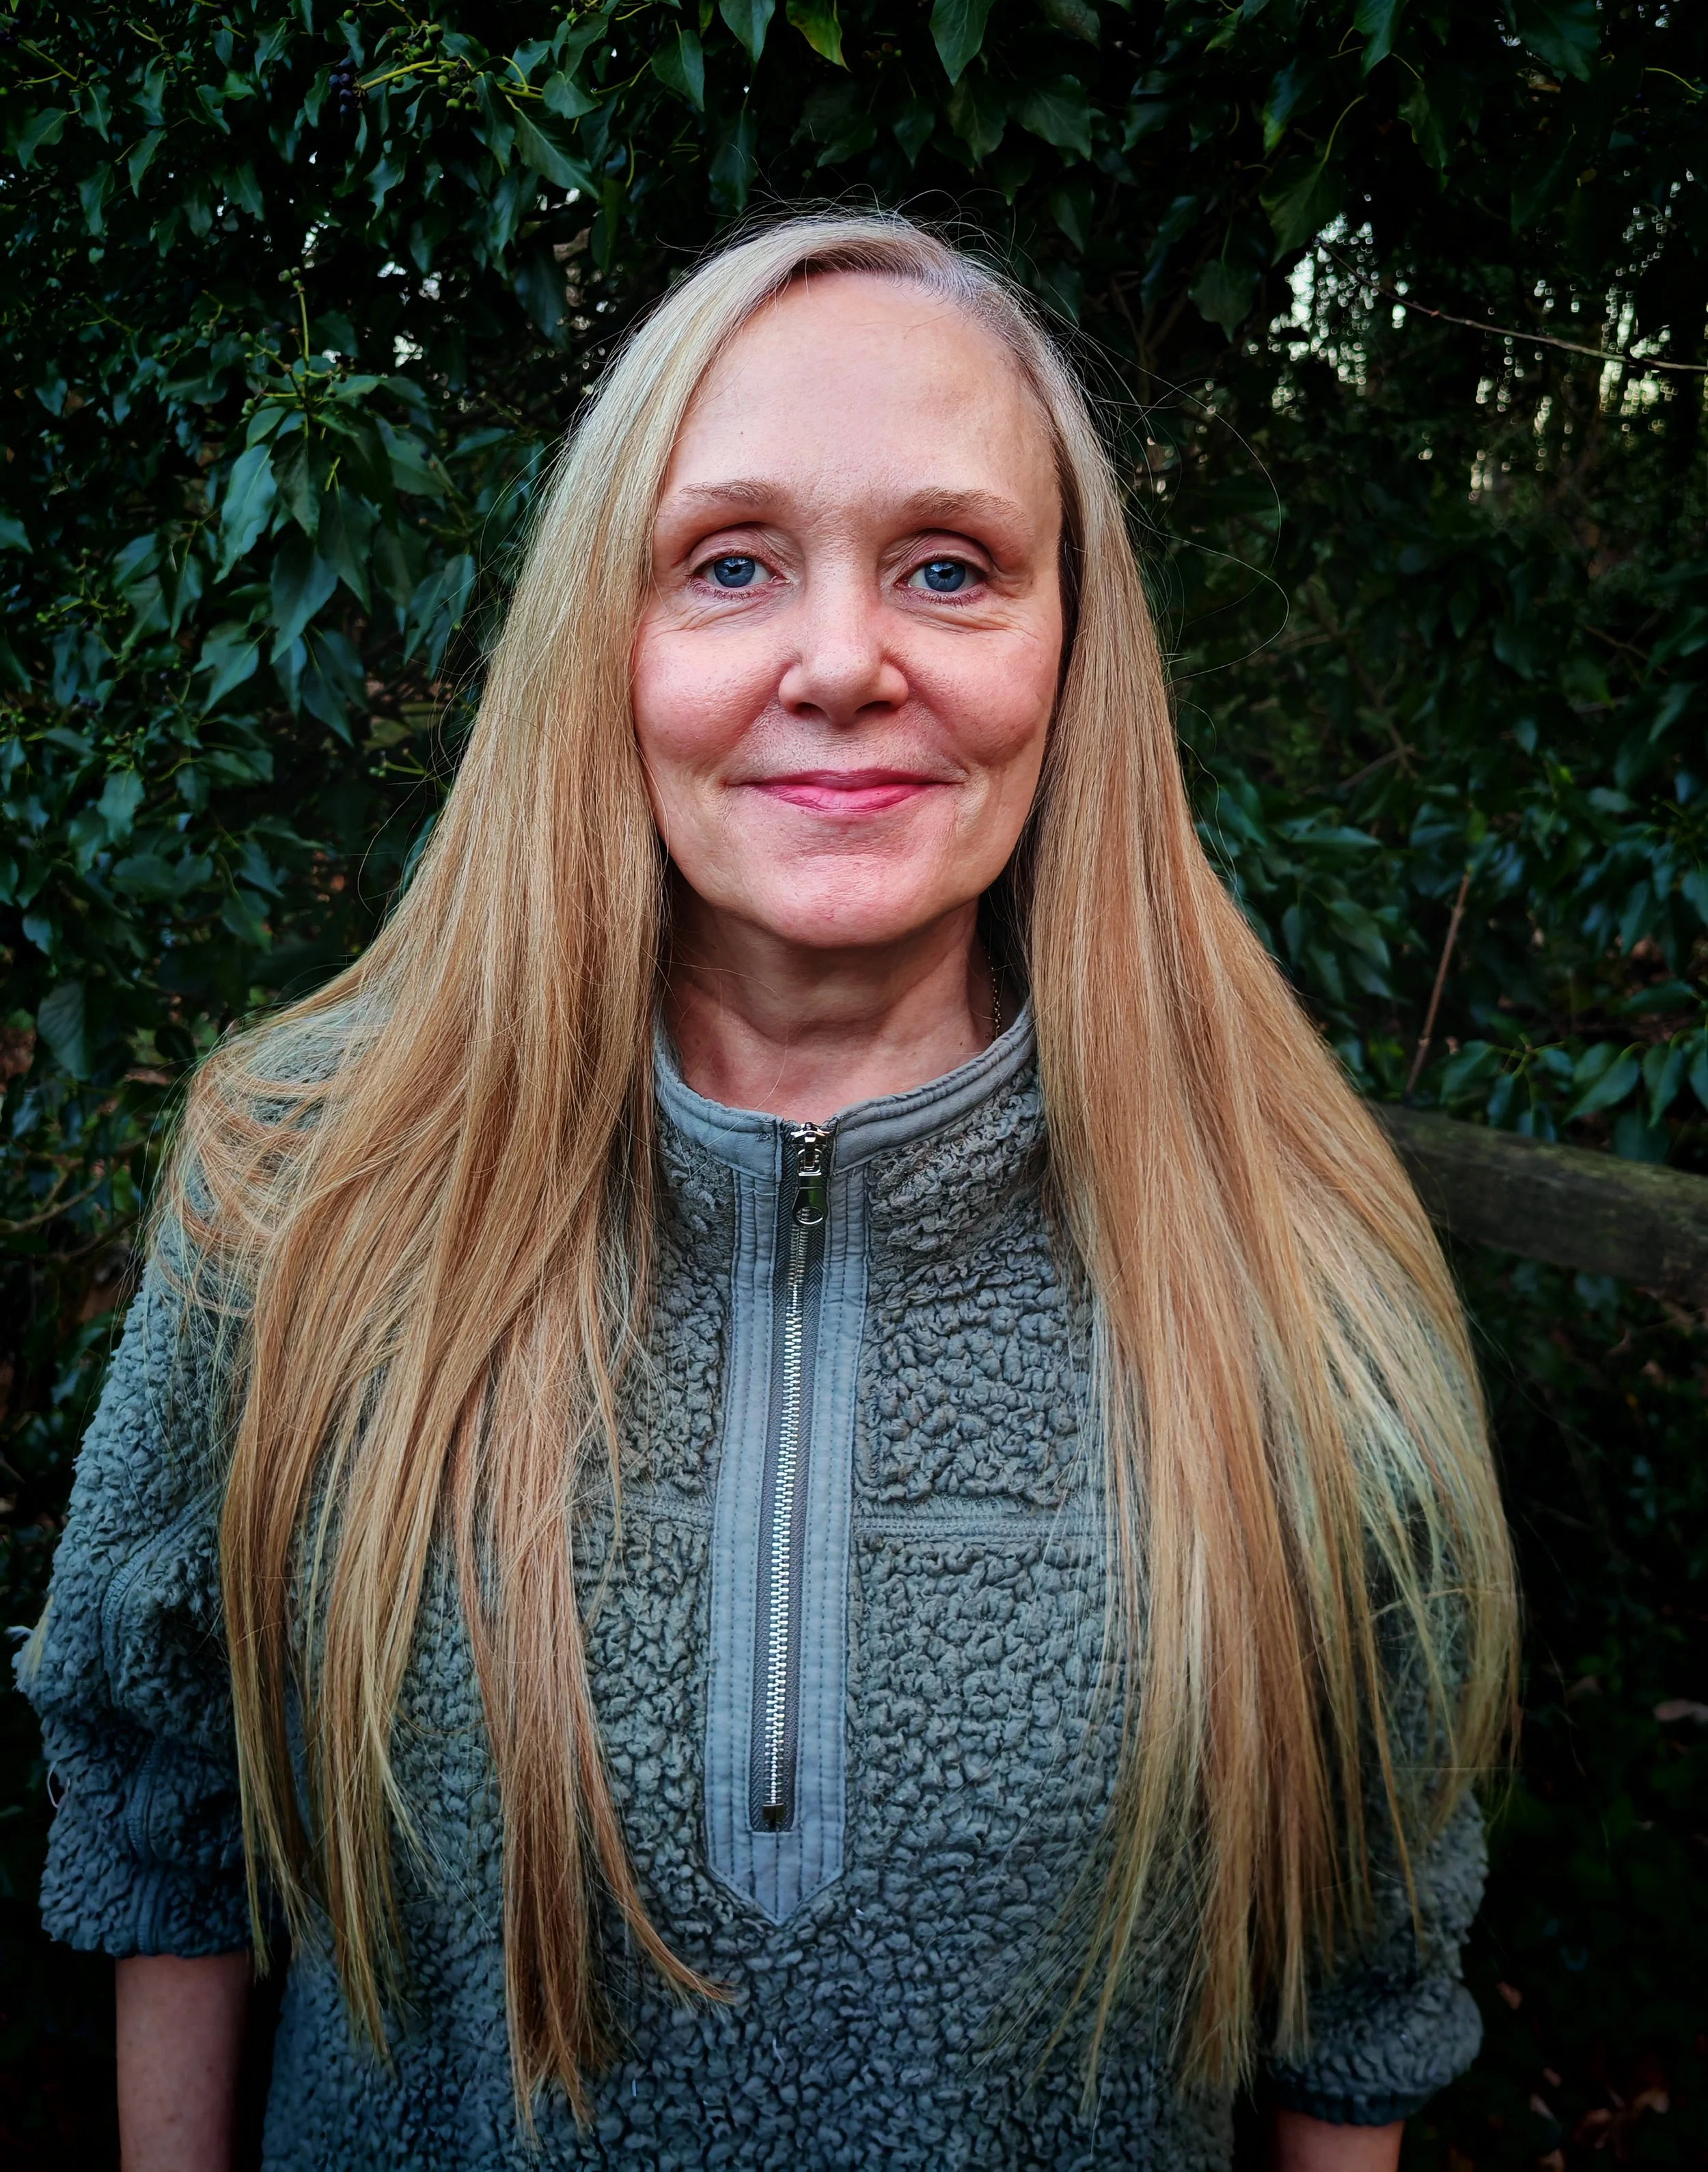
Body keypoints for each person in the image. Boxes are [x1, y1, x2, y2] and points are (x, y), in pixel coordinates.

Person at [19, 213, 1516, 2172]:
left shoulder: (1290, 1277)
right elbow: (165, 1814)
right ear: (601, 643)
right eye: (728, 564)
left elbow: (1357, 1979)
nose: (839, 662)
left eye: (949, 567)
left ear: (1075, 652)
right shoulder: (300, 1198)